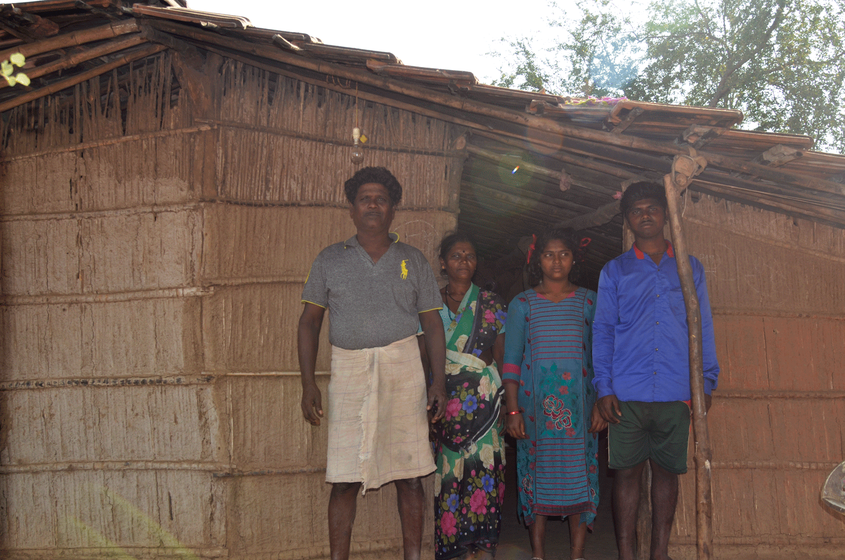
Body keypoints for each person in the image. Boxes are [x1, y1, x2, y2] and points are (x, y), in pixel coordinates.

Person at [297, 166, 448, 560]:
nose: (373, 204)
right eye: (365, 197)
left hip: (404, 370)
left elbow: (432, 324)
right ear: (352, 208)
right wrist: (308, 383)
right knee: (345, 478)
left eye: (381, 198)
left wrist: (438, 381)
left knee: (411, 475)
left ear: (392, 209)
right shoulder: (329, 259)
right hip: (349, 370)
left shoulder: (412, 259)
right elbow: (309, 322)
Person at [591, 181, 720, 560]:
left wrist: (707, 380)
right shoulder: (615, 271)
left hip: (676, 389)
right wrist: (603, 387)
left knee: (667, 474)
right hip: (625, 392)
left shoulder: (689, 267)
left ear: (666, 214)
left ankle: (659, 553)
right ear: (628, 220)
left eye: (652, 208)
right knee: (626, 475)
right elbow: (602, 330)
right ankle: (627, 554)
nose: (645, 215)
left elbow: (703, 325)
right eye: (636, 211)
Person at [502, 228, 606, 560]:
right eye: (549, 254)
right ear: (538, 260)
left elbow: (601, 357)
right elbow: (512, 361)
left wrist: (601, 406)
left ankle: (577, 555)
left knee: (579, 473)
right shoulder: (522, 304)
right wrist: (514, 410)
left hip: (581, 409)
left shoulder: (591, 301)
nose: (557, 260)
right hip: (535, 411)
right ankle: (538, 554)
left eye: (564, 253)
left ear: (574, 259)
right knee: (537, 473)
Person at [425, 231, 508, 560]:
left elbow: (502, 357)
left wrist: (508, 404)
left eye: (470, 255)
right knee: (449, 480)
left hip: (485, 407)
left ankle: (484, 549)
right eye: (456, 255)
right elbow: (422, 357)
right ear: (443, 263)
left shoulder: (492, 304)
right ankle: (455, 552)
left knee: (485, 478)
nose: (464, 261)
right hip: (444, 405)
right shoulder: (430, 305)